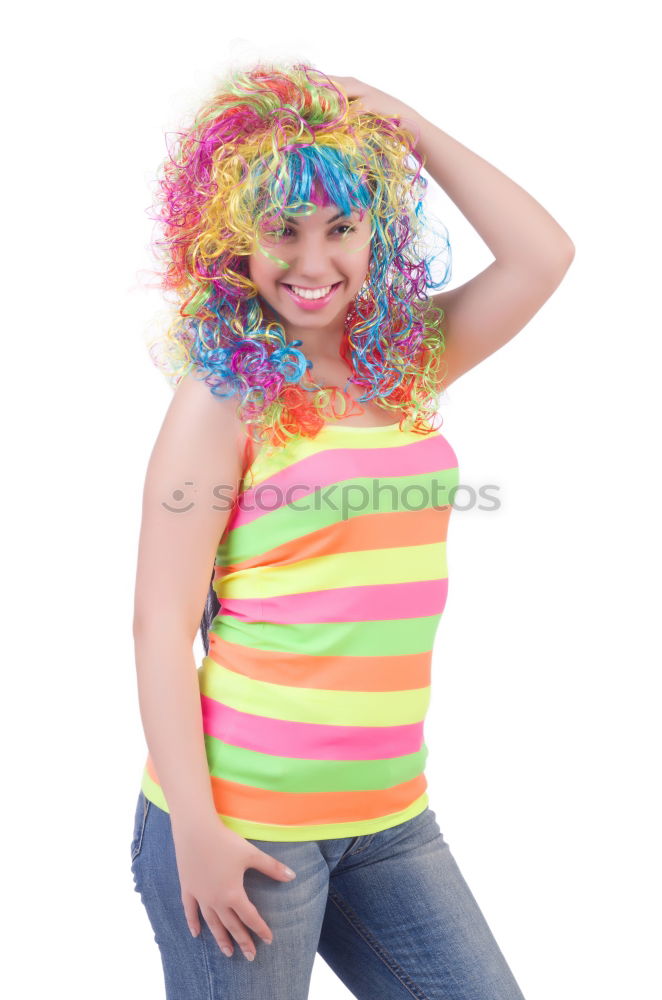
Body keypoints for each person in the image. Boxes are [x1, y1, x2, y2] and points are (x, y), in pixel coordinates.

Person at [130, 62, 574, 999]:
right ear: (232, 242)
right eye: (281, 232)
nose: (313, 262)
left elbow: (543, 256)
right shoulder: (223, 398)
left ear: (381, 233)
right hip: (244, 821)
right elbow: (160, 626)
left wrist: (405, 125)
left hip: (389, 815)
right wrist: (195, 833)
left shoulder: (409, 363)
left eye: (343, 228)